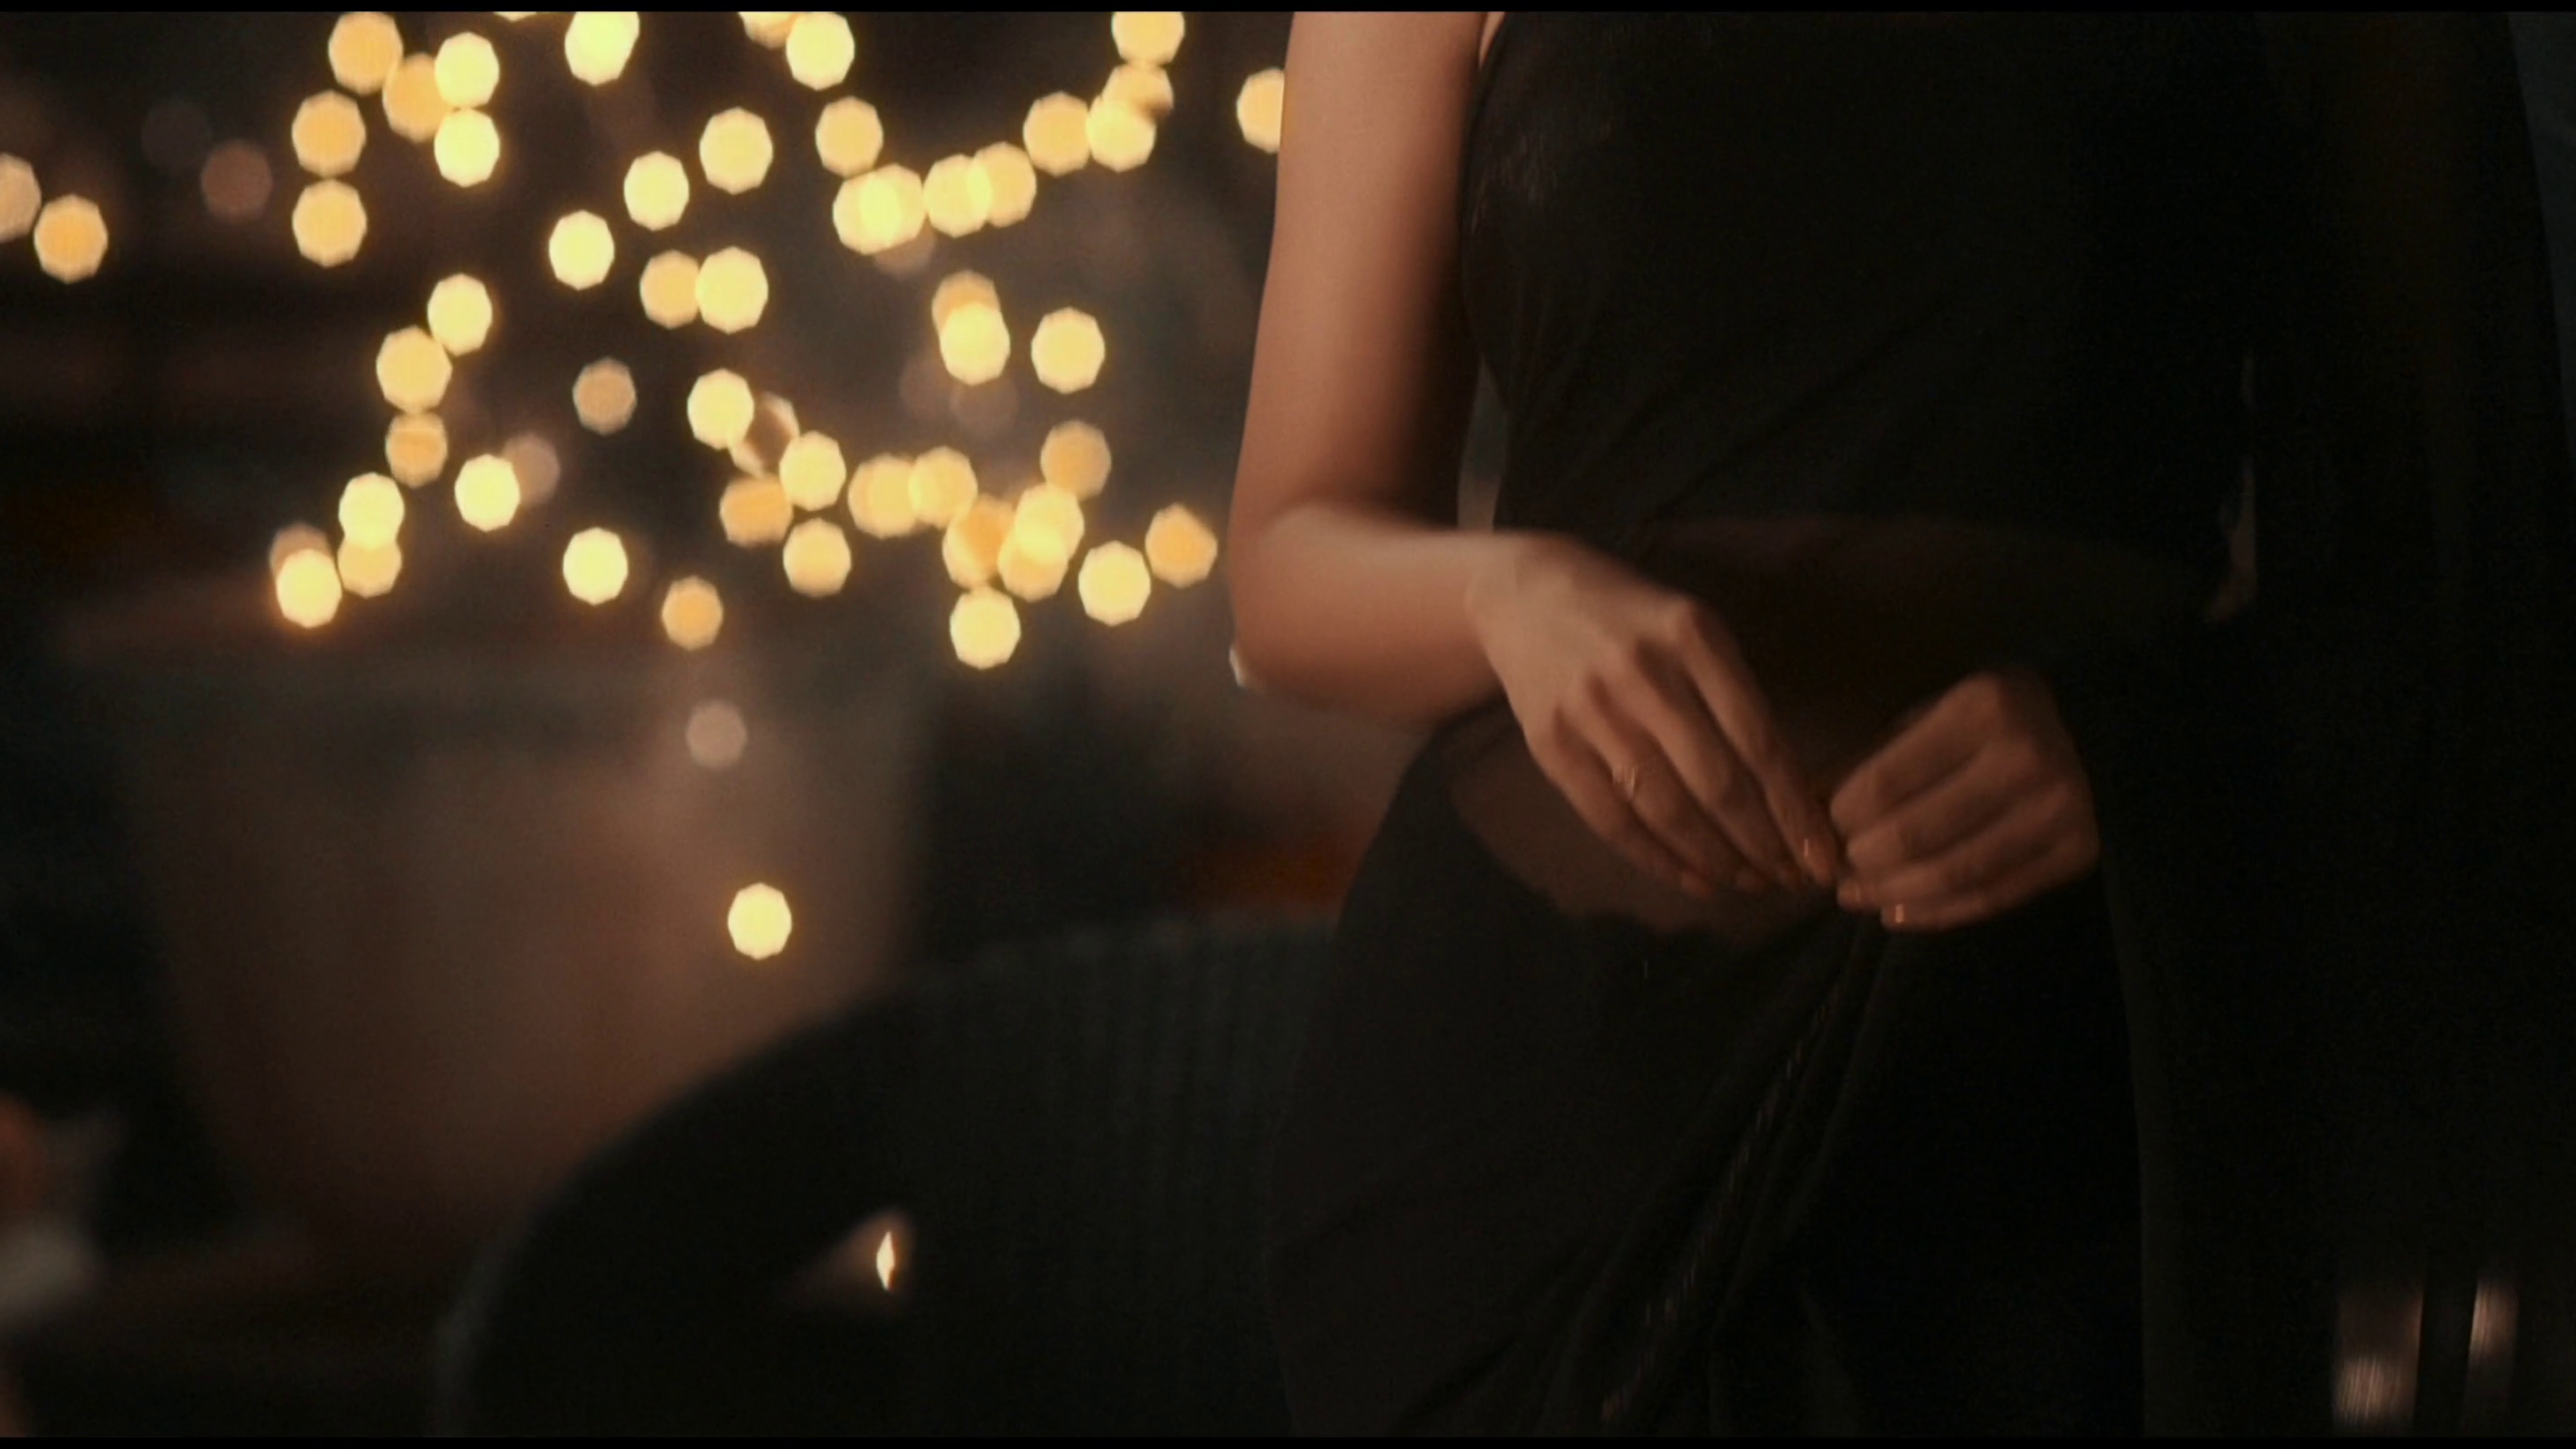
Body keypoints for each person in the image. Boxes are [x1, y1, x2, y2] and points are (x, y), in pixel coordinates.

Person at [1229, 13, 2576, 1435]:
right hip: (1528, 1130)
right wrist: (1512, 593)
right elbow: (1290, 557)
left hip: (2044, 1098)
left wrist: (2135, 742)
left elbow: (2461, 582)